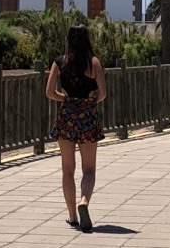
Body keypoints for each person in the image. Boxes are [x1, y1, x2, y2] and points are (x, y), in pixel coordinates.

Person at [46, 25, 107, 232]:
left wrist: (65, 98)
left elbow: (49, 92)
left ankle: (72, 215)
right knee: (88, 169)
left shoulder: (60, 62)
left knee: (67, 169)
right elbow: (103, 93)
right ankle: (84, 202)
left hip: (66, 117)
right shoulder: (94, 63)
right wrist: (89, 101)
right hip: (87, 116)